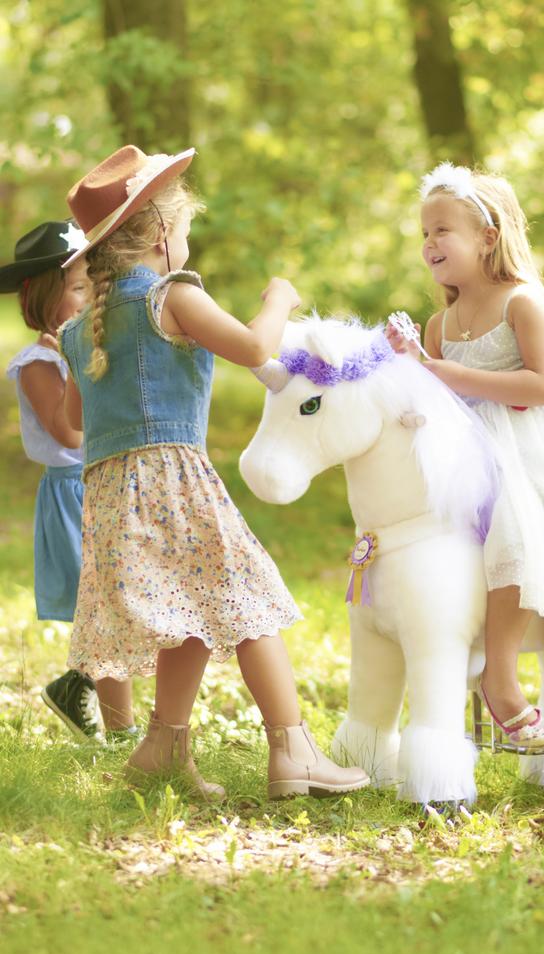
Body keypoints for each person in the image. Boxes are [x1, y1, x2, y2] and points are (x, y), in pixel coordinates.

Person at [57, 144, 369, 801]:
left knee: (191, 607)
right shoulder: (173, 296)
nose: (189, 243)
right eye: (188, 230)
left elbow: (74, 418)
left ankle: (162, 749)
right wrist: (279, 298)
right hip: (173, 478)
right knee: (245, 601)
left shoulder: (81, 329)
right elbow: (255, 346)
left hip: (113, 492)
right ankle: (294, 750)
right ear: (164, 231)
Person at [387, 163, 544, 808]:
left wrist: (441, 371)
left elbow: (543, 387)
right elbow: (440, 398)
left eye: (442, 228)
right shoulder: (439, 324)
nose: (429, 243)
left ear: (488, 233)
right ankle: (496, 680)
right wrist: (414, 371)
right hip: (474, 460)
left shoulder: (523, 301)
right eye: (424, 232)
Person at [2, 221, 136, 741]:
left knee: (118, 601)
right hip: (71, 492)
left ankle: (75, 683)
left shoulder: (88, 349)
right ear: (42, 298)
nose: (88, 299)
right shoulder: (38, 362)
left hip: (103, 484)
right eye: (78, 288)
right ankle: (122, 732)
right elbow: (69, 429)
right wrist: (79, 366)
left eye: (92, 286)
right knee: (104, 608)